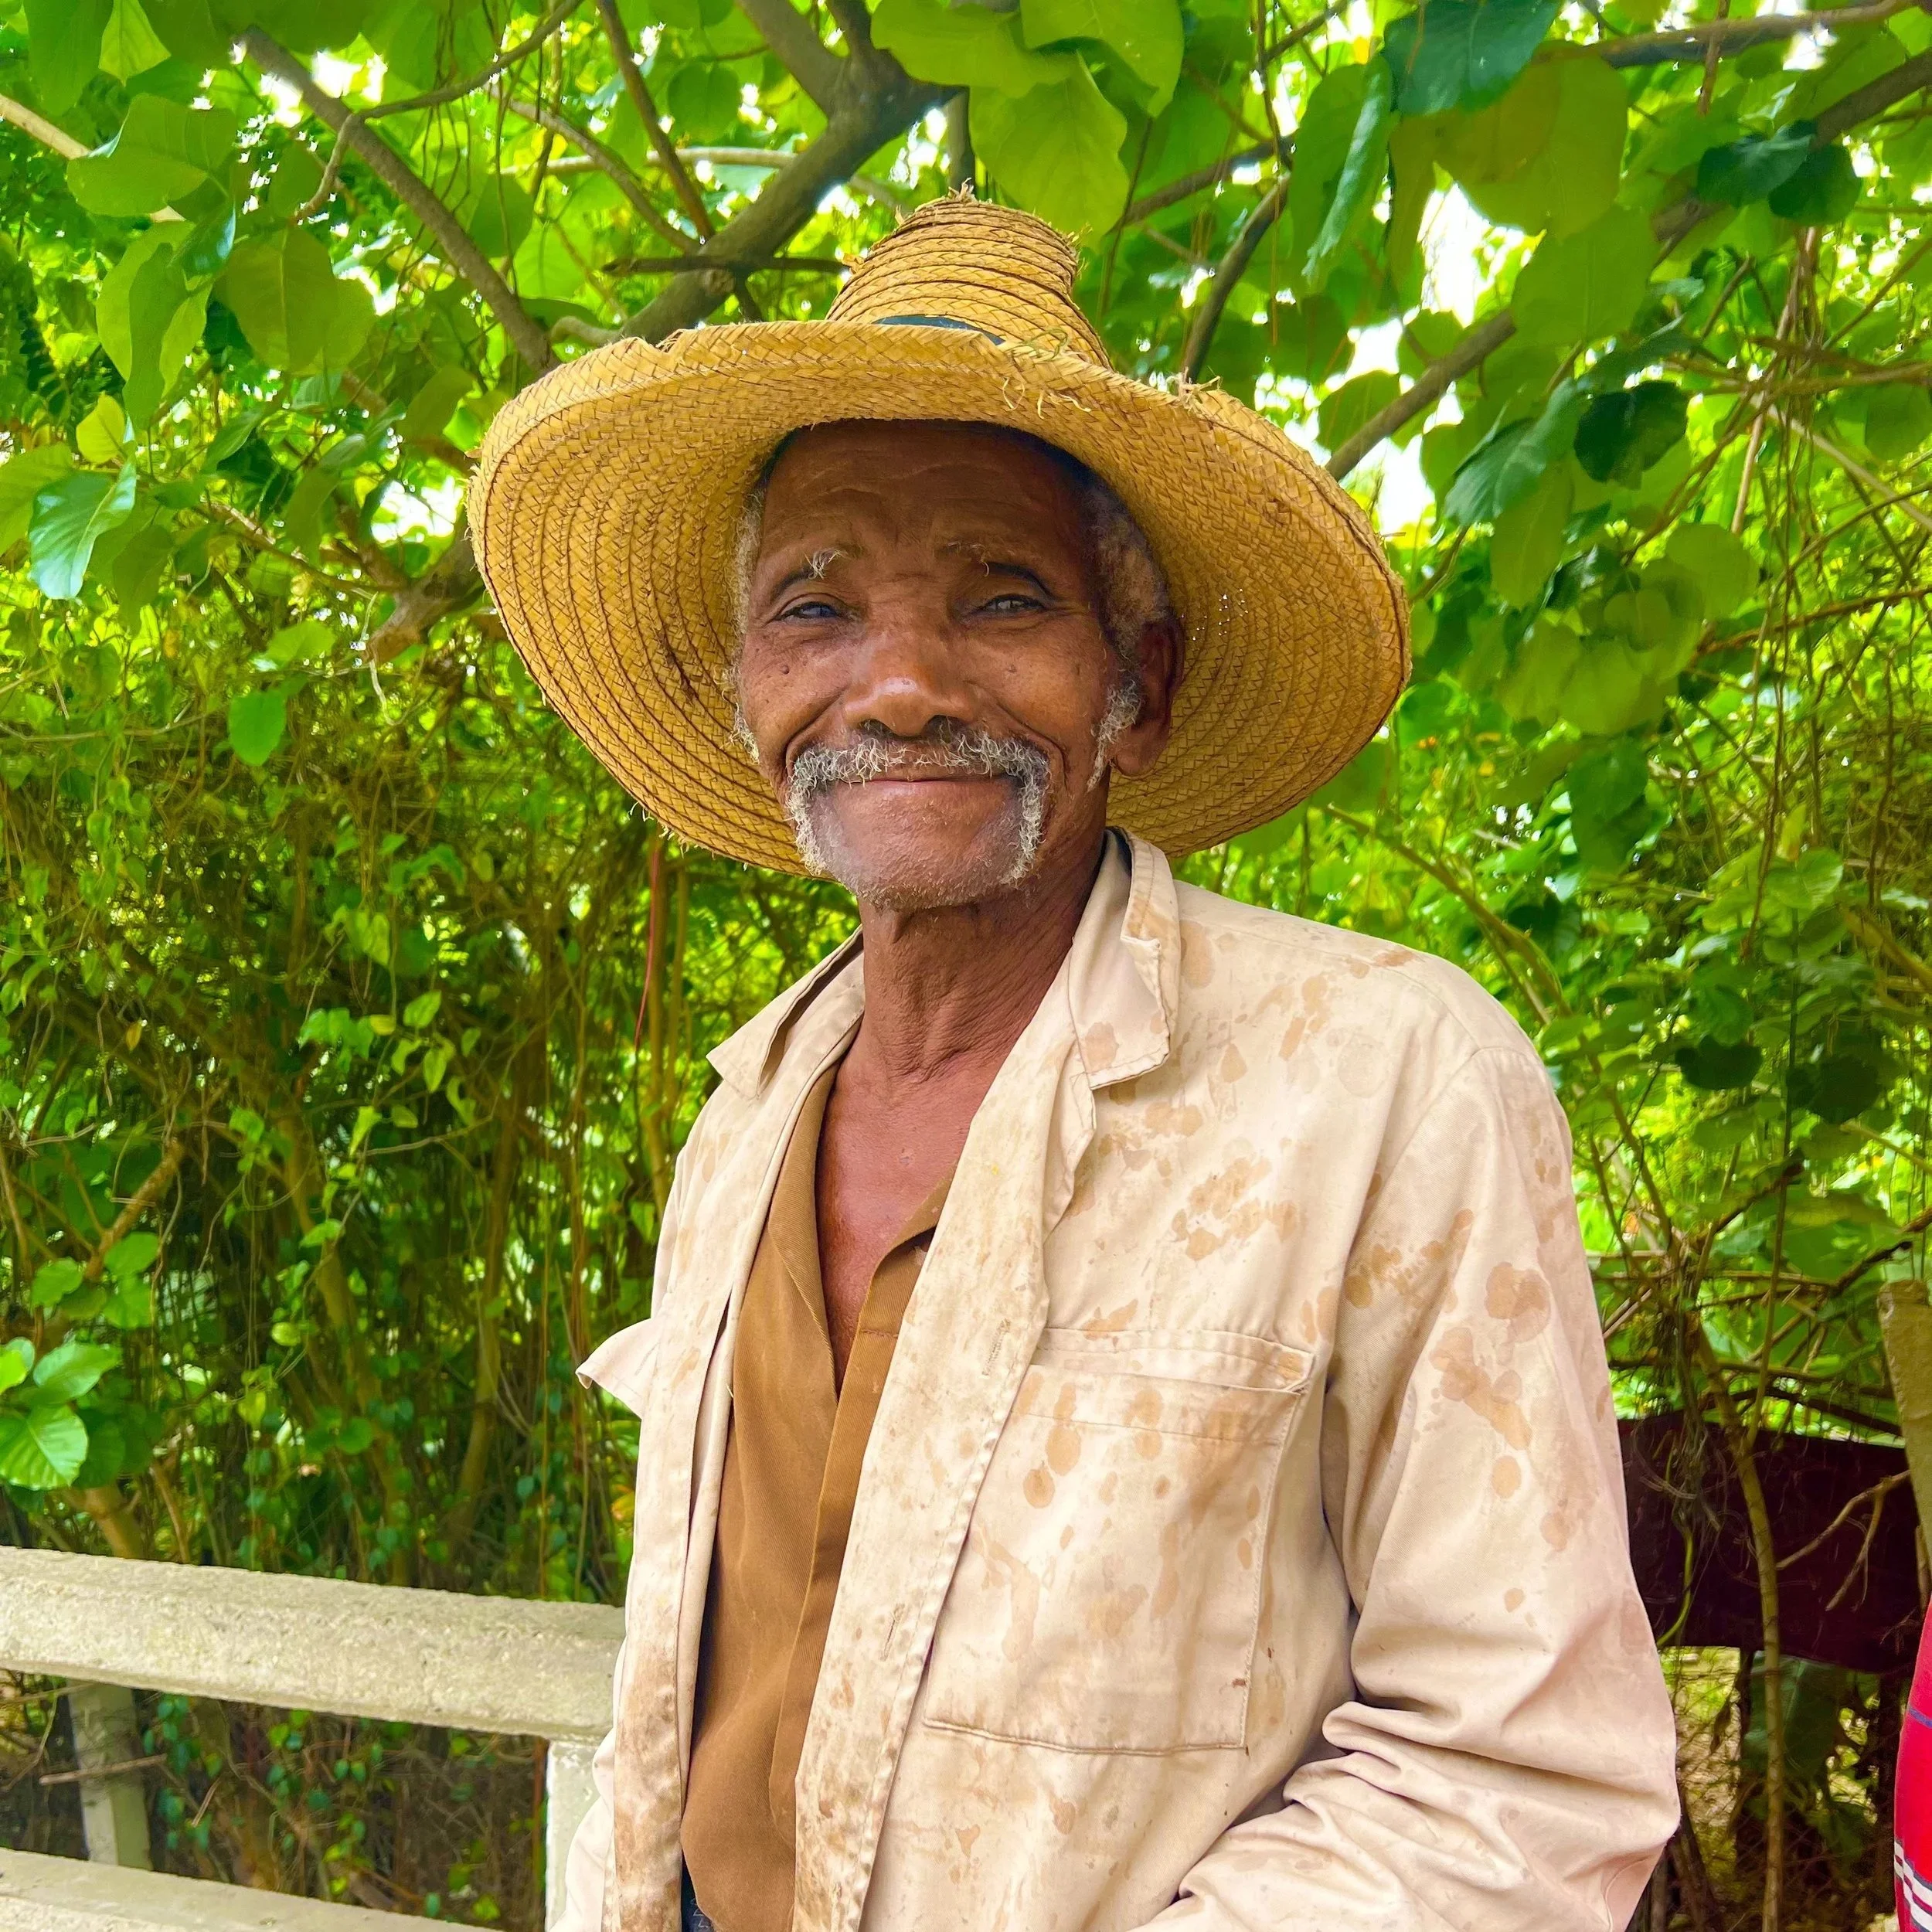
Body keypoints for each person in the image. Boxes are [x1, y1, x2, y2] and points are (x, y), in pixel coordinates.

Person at [471, 194, 1679, 1932]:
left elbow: (1517, 1771)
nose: (895, 683)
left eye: (1002, 595)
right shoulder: (745, 1114)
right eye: (814, 607)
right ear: (746, 685)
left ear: (1141, 685)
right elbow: (682, 1697)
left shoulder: (1382, 1080)